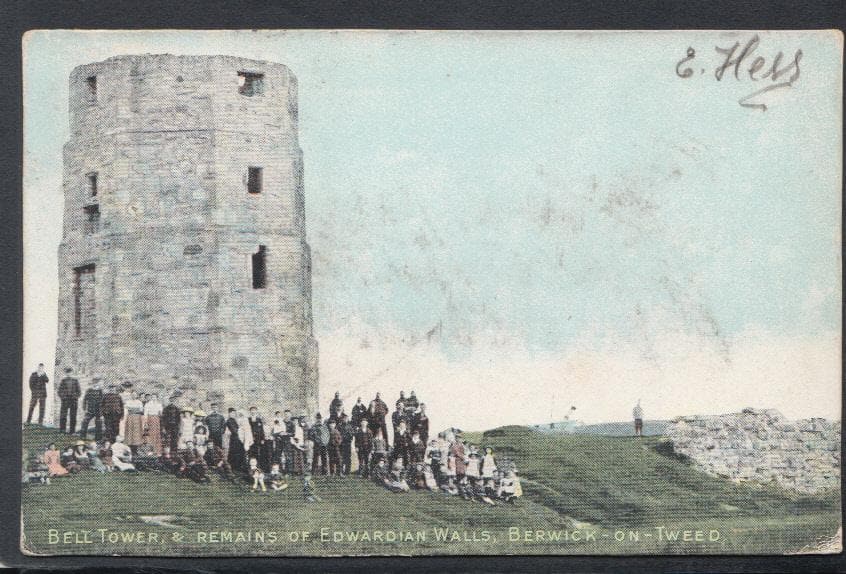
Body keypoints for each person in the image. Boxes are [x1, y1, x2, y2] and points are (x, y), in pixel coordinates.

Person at [57, 367, 82, 434]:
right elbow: (59, 391)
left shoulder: (75, 381)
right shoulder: (63, 381)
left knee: (73, 416)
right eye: (67, 373)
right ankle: (62, 430)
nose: (69, 374)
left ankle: (72, 431)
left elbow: (79, 392)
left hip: (73, 401)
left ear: (72, 373)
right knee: (63, 416)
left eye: (70, 372)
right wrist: (63, 397)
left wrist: (75, 397)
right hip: (65, 401)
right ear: (66, 373)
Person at [226, 408, 246, 473]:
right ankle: (233, 467)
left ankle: (238, 466)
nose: (233, 414)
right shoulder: (229, 421)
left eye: (234, 413)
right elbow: (234, 430)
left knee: (240, 452)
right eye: (232, 413)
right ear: (229, 413)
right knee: (234, 452)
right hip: (234, 439)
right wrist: (241, 431)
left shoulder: (235, 420)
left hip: (239, 438)